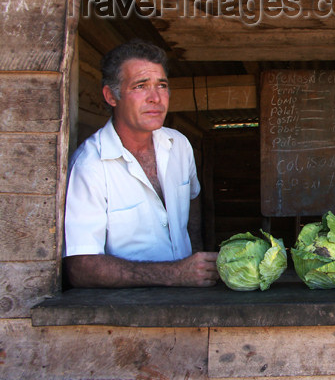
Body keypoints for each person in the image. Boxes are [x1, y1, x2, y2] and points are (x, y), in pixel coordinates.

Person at [63, 39, 219, 287]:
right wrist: (176, 274)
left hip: (189, 301)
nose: (156, 98)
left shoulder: (178, 145)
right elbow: (81, 268)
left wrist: (194, 258)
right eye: (140, 86)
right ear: (111, 96)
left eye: (162, 85)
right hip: (127, 312)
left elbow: (192, 197)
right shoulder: (90, 166)